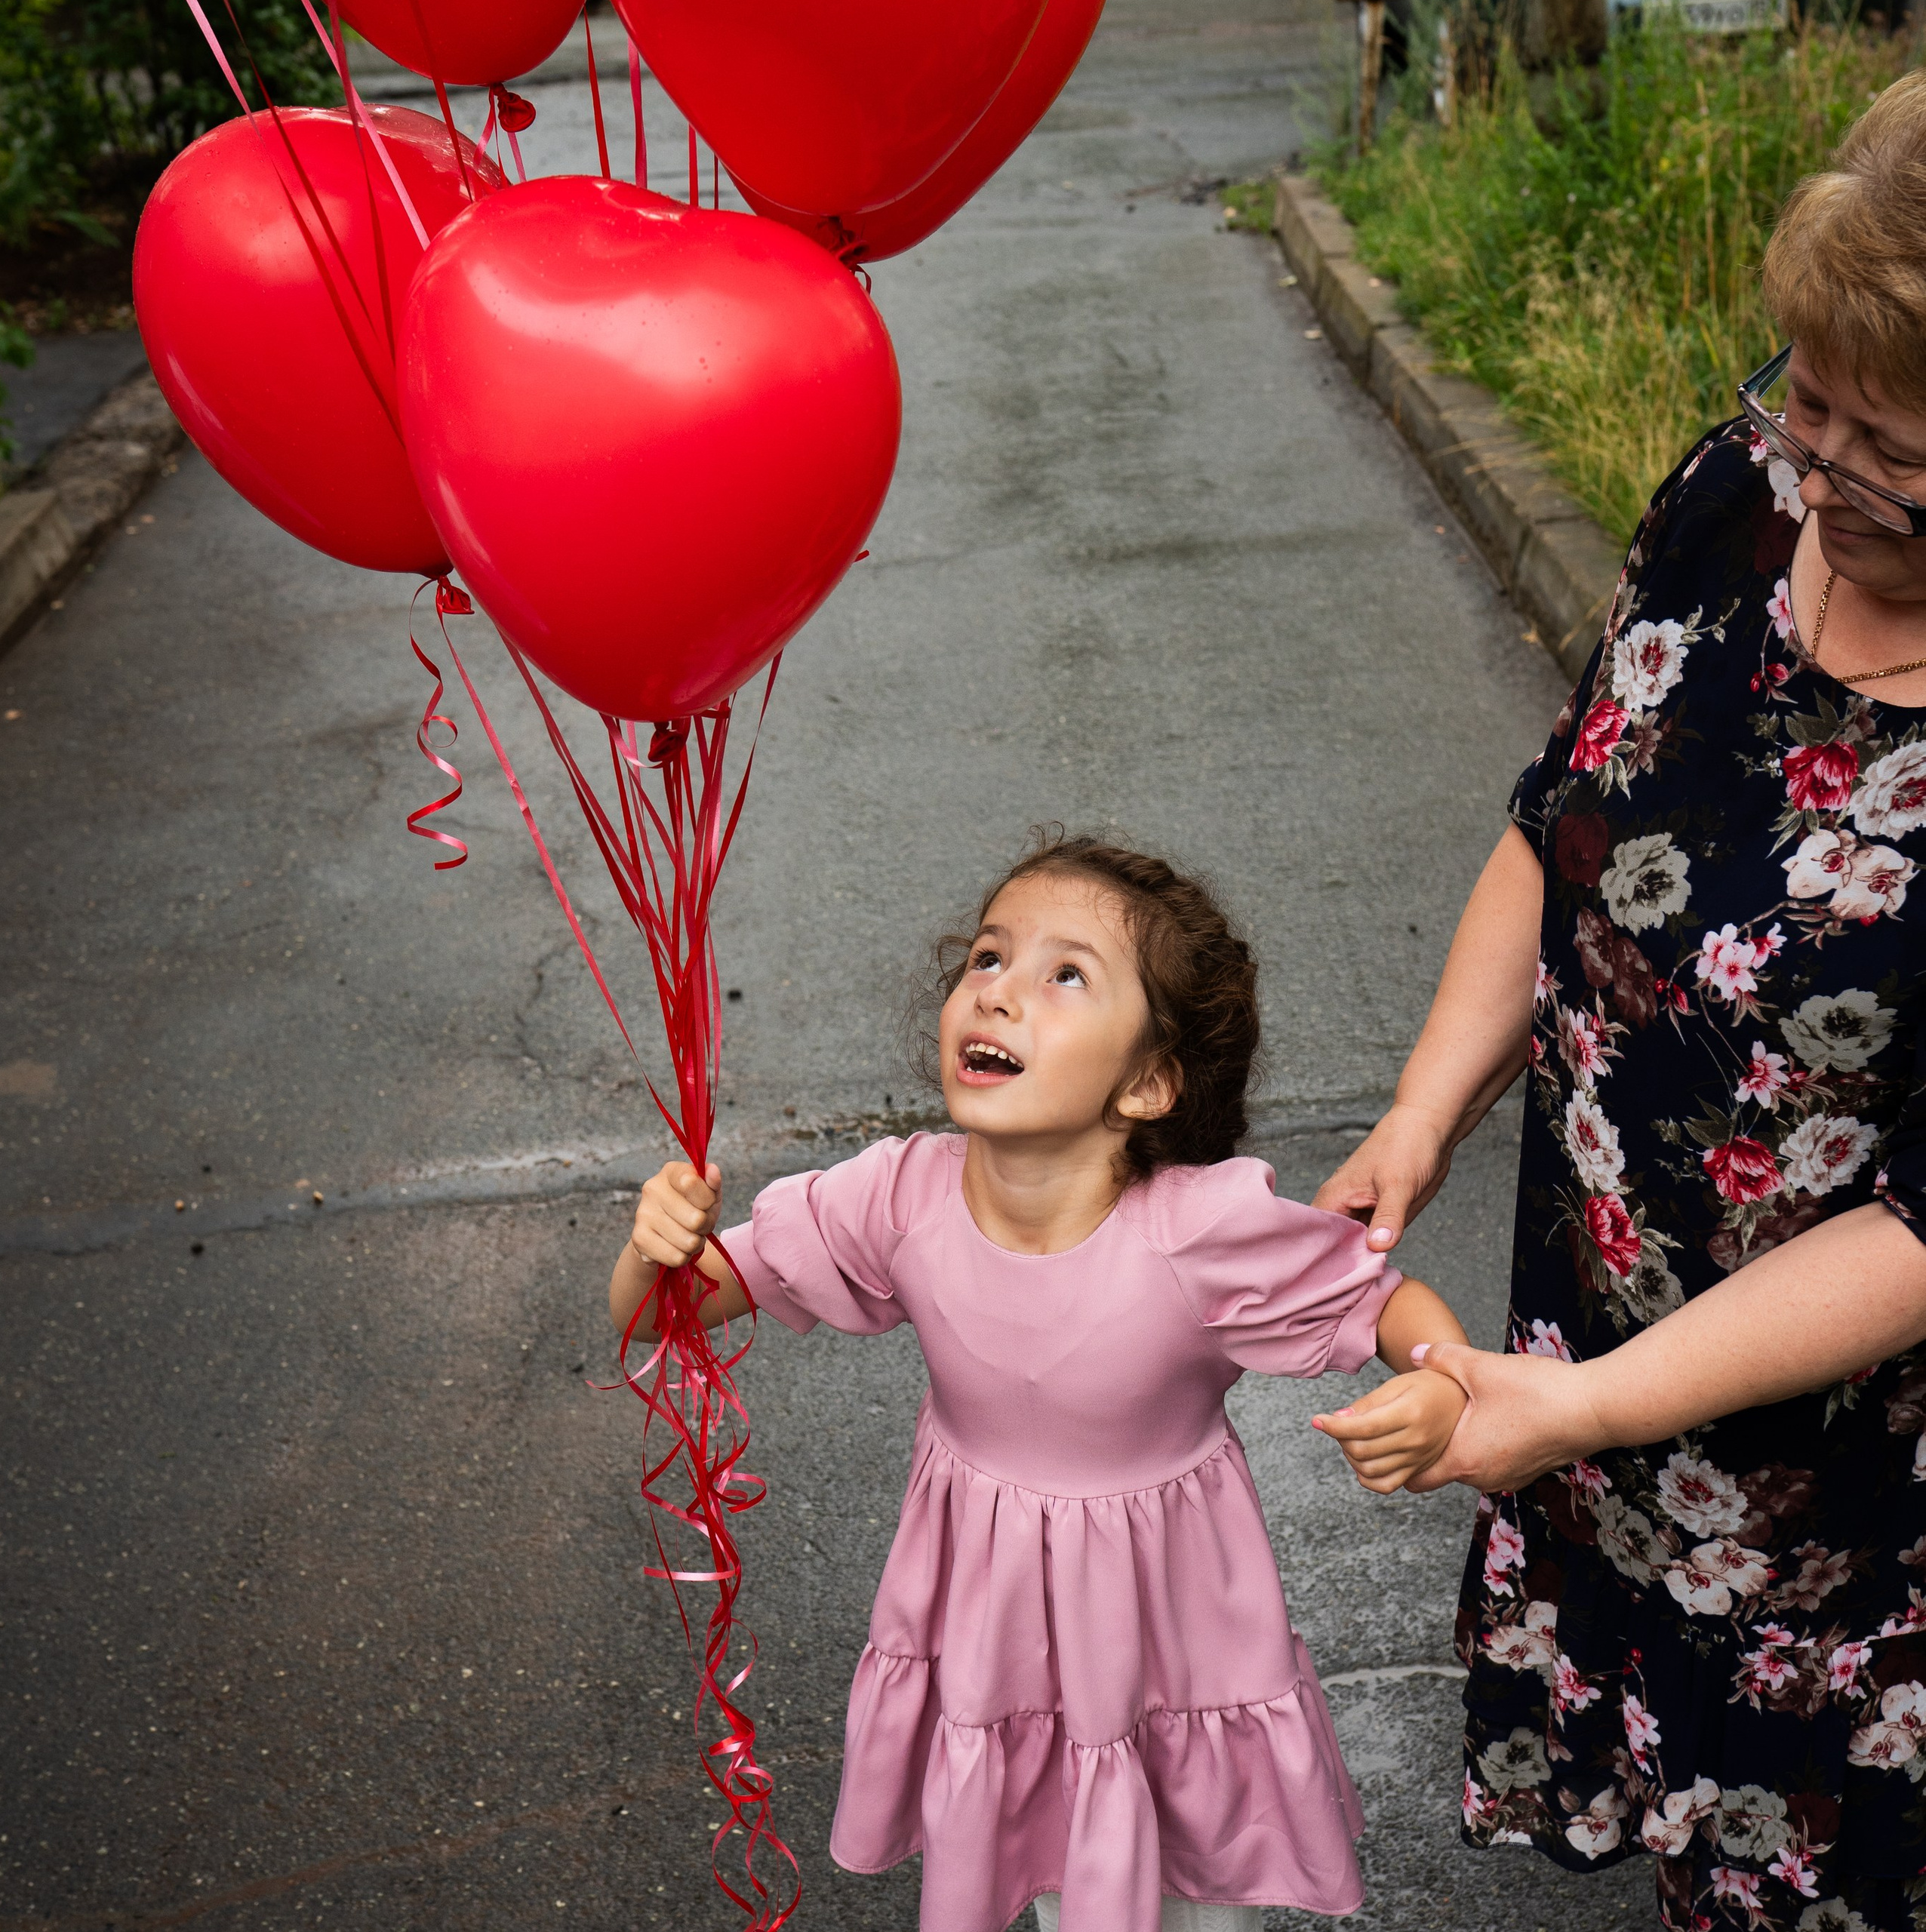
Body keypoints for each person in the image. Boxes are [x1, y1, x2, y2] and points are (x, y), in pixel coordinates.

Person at [1314, 71, 1926, 1932]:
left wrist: (1576, 1412)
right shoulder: (1735, 503)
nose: (1808, 463)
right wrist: (1422, 1112)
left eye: (1872, 444)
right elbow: (1557, 815)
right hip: (1583, 1372)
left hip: (1837, 1514)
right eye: (1795, 393)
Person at [609, 833, 1471, 1932]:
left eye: (1066, 976)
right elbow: (657, 1314)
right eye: (987, 959)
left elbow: (1386, 1304)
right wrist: (658, 1245)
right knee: (1036, 1866)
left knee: (1183, 1901)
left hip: (1164, 1635)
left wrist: (1443, 1383)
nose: (1000, 995)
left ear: (1151, 1081)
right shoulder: (898, 1197)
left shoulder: (1200, 1230)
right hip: (993, 1621)